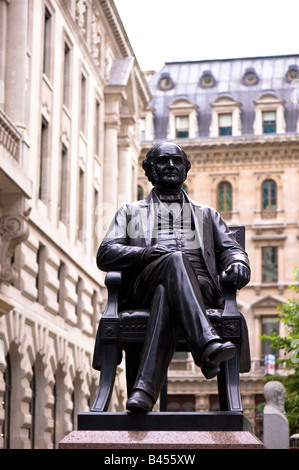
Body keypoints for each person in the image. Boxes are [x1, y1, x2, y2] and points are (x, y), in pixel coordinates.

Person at [95, 141, 250, 413]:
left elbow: (233, 251)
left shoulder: (207, 215)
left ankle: (143, 391)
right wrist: (146, 254)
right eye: (163, 161)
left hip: (201, 290)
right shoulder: (131, 212)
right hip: (145, 283)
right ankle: (208, 344)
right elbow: (106, 253)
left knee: (166, 292)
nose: (170, 166)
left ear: (185, 169)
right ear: (150, 171)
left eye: (176, 161)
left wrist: (238, 264)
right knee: (175, 260)